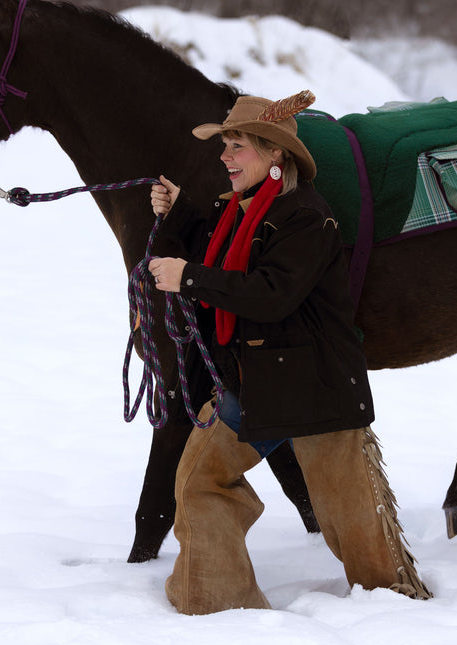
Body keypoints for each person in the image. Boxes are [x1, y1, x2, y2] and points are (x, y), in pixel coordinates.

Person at [148, 90, 431, 615]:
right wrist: (181, 211)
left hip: (316, 387)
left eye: (238, 147)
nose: (225, 157)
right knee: (198, 484)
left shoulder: (306, 217)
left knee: (353, 523)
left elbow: (269, 293)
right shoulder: (236, 209)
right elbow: (221, 247)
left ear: (276, 155)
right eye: (225, 146)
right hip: (252, 382)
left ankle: (398, 616)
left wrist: (187, 277)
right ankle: (216, 600)